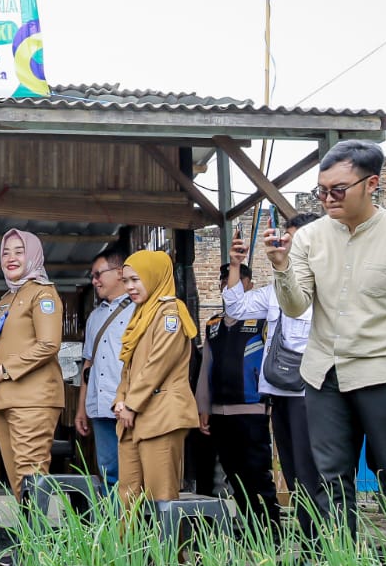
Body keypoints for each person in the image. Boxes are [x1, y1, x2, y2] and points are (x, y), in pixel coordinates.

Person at [267, 140, 386, 531]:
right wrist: (281, 267)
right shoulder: (309, 237)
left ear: (371, 183)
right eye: (321, 190)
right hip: (323, 374)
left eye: (338, 190)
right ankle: (339, 563)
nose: (328, 199)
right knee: (330, 479)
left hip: (383, 372)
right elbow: (295, 306)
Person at [226, 212, 324, 537]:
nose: (286, 245)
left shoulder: (326, 287)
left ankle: (321, 546)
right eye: (285, 239)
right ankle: (310, 546)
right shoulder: (273, 291)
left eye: (293, 240)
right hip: (279, 391)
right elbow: (235, 308)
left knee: (312, 473)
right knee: (294, 473)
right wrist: (236, 265)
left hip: (311, 393)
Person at [0, 229, 65, 500]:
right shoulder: (6, 300)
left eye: (19, 251)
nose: (11, 258)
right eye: (5, 252)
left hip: (32, 399)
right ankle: (29, 528)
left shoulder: (43, 294)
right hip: (2, 399)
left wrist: (4, 371)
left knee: (31, 473)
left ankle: (38, 528)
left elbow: (49, 344)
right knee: (17, 478)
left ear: (34, 255)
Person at [196, 262, 279, 532]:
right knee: (232, 474)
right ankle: (249, 529)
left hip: (251, 409)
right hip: (219, 412)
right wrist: (203, 407)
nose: (228, 286)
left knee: (257, 473)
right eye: (224, 282)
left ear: (250, 285)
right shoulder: (214, 325)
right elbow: (206, 368)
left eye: (236, 281)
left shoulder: (262, 321)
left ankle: (270, 531)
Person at [112, 250, 199, 508]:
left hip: (161, 416)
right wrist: (120, 400)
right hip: (134, 417)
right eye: (126, 281)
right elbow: (129, 367)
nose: (129, 287)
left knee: (160, 497)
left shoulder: (170, 313)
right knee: (127, 497)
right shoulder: (142, 313)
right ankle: (126, 538)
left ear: (154, 276)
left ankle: (167, 540)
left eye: (136, 279)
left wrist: (131, 404)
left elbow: (157, 365)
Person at [74, 244, 131, 491]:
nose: (94, 281)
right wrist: (81, 408)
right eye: (92, 276)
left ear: (119, 272)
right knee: (108, 470)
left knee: (133, 471)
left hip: (128, 405)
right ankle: (111, 515)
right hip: (100, 405)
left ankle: (133, 516)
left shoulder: (139, 310)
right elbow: (88, 364)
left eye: (98, 274)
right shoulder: (94, 317)